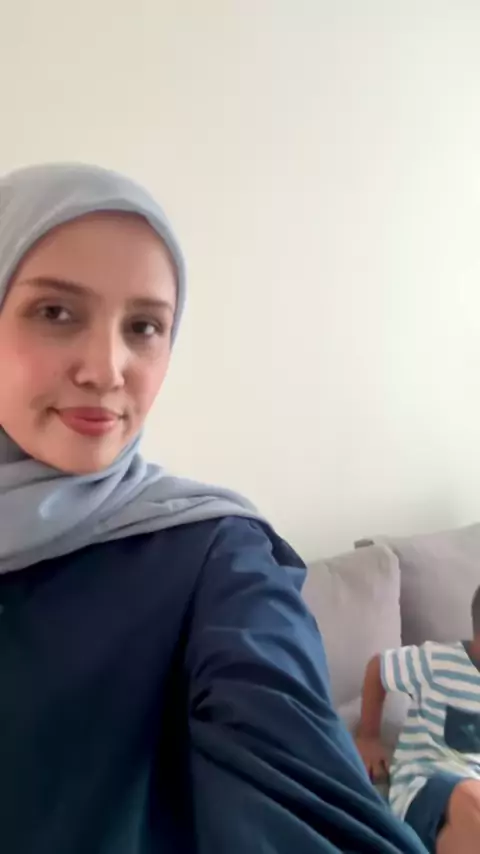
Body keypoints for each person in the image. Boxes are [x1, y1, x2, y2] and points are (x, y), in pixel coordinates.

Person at [0, 162, 426, 854]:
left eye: (144, 326)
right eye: (56, 313)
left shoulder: (214, 557)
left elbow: (301, 787)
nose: (106, 369)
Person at [356, 584, 480, 854]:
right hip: (425, 786)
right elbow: (379, 668)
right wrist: (368, 737)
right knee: (470, 796)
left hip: (460, 825)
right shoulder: (437, 661)